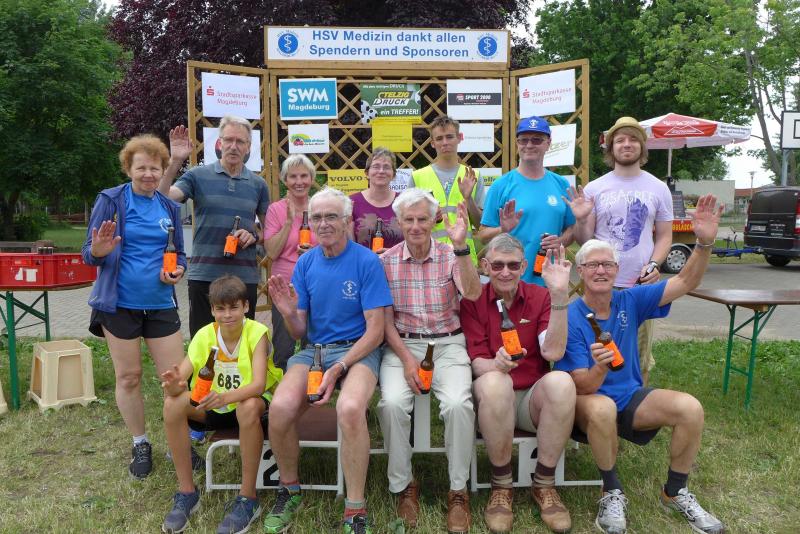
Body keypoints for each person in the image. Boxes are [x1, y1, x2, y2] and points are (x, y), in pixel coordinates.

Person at [554, 195, 725, 534]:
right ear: (580, 271)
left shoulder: (629, 299)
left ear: (617, 271)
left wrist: (704, 243)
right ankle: (611, 491)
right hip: (585, 404)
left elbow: (685, 282)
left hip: (630, 397)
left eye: (607, 265)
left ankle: (675, 491)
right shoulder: (570, 316)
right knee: (602, 407)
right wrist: (600, 368)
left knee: (689, 408)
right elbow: (580, 386)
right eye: (592, 265)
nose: (601, 270)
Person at [264, 187, 392, 534]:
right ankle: (289, 489)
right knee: (280, 408)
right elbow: (299, 331)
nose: (323, 223)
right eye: (317, 217)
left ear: (347, 221)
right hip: (315, 350)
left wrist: (339, 367)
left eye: (331, 216)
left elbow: (375, 332)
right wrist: (288, 313)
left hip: (358, 349)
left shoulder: (366, 261)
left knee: (349, 409)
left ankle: (355, 508)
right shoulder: (306, 262)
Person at [82, 134, 187, 479]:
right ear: (128, 168)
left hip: (160, 304)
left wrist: (178, 270)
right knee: (129, 377)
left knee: (175, 379)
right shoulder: (111, 200)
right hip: (119, 305)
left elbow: (180, 253)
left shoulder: (169, 207)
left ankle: (178, 442)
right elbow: (88, 254)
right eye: (141, 168)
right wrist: (99, 250)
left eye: (155, 168)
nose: (148, 174)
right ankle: (140, 443)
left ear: (162, 170)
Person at [378, 188, 481, 534]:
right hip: (402, 345)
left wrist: (462, 247)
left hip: (448, 343)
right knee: (391, 404)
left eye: (423, 218)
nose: (416, 226)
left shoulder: (452, 254)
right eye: (409, 219)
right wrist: (407, 360)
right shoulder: (386, 261)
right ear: (398, 222)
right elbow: (385, 322)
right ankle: (404, 484)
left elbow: (473, 293)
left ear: (433, 220)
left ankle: (458, 490)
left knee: (458, 404)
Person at [460, 233, 575, 533]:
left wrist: (559, 296)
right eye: (497, 265)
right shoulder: (473, 301)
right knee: (496, 382)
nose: (505, 272)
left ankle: (544, 484)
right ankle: (501, 485)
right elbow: (476, 362)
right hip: (491, 397)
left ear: (524, 266)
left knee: (562, 382)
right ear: (485, 266)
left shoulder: (540, 297)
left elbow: (553, 352)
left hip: (530, 398)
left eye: (513, 265)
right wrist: (496, 365)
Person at [160, 274, 283, 534]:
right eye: (221, 308)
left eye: (234, 307)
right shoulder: (204, 335)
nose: (227, 315)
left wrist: (225, 397)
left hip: (250, 406)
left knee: (247, 405)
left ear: (246, 306)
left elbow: (259, 384)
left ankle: (248, 499)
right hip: (214, 406)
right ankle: (187, 493)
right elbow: (181, 377)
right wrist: (173, 385)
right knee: (172, 404)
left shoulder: (257, 333)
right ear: (212, 310)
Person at [565, 116, 673, 386]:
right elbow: (585, 241)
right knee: (597, 352)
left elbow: (664, 236)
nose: (627, 144)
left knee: (640, 355)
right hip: (601, 286)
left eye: (633, 139)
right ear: (610, 148)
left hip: (639, 288)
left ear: (642, 146)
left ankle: (638, 401)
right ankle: (599, 400)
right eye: (620, 140)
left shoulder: (658, 188)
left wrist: (655, 264)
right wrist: (581, 220)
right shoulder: (595, 188)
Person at [160, 116, 270, 337]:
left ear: (248, 147)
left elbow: (269, 231)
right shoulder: (197, 175)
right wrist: (175, 161)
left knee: (241, 344)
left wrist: (254, 236)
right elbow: (163, 198)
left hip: (244, 277)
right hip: (204, 275)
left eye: (240, 141)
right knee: (203, 343)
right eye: (228, 140)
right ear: (219, 143)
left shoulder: (259, 185)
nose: (233, 146)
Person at [478, 116, 575, 285]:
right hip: (510, 281)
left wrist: (560, 241)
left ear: (548, 143)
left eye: (537, 140)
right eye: (523, 140)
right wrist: (502, 229)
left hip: (549, 281)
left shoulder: (561, 185)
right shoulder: (500, 185)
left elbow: (572, 229)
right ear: (517, 143)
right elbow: (483, 236)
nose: (529, 145)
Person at [264, 154, 318, 370]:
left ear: (312, 179)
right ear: (285, 180)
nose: (299, 181)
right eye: (293, 176)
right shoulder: (276, 209)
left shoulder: (320, 208)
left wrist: (315, 252)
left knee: (312, 344)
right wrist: (288, 222)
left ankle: (311, 386)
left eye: (304, 176)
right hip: (284, 286)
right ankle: (281, 385)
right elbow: (271, 252)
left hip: (316, 285)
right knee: (283, 346)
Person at [409, 115, 485, 264]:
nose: (445, 142)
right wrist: (428, 216)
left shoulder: (473, 176)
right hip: (429, 258)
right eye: (439, 138)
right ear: (432, 143)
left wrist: (468, 199)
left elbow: (480, 225)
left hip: (464, 258)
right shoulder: (417, 177)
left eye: (449, 137)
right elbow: (408, 223)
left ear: (459, 138)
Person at [350, 147, 403, 252]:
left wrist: (390, 253)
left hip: (397, 261)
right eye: (376, 166)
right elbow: (347, 243)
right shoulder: (352, 203)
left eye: (386, 167)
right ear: (367, 173)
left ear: (393, 175)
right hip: (362, 262)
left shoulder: (403, 202)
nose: (381, 171)